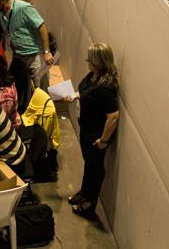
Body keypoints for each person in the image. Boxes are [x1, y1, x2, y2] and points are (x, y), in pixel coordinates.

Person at [64, 43, 119, 217]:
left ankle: (90, 202)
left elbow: (113, 117)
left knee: (95, 168)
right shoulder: (94, 75)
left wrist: (103, 141)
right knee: (89, 163)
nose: (87, 61)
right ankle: (84, 192)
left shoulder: (105, 86)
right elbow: (87, 92)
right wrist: (76, 95)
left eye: (91, 59)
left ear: (99, 61)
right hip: (87, 128)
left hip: (96, 135)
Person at [0, 0, 53, 90]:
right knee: (17, 86)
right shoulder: (0, 12)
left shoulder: (24, 8)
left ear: (3, 0)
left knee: (40, 89)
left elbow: (42, 26)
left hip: (34, 56)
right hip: (18, 55)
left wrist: (46, 52)